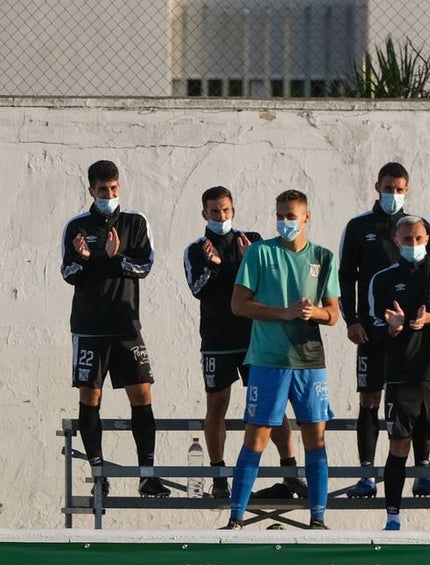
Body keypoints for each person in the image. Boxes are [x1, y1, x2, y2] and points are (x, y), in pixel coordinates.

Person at [221, 190, 340, 531]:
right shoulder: (260, 253)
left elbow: (333, 314)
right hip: (268, 359)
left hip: (309, 361)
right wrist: (282, 313)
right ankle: (236, 518)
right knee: (256, 436)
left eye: (292, 216)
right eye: (281, 215)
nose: (286, 222)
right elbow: (239, 305)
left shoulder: (324, 257)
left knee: (315, 438)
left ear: (307, 218)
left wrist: (313, 312)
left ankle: (318, 518)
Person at [183, 186, 302, 499]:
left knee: (272, 404)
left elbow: (273, 285)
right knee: (217, 406)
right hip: (217, 340)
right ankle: (219, 475)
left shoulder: (252, 241)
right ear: (204, 214)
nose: (220, 216)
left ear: (233, 210)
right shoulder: (197, 249)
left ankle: (290, 470)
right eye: (213, 211)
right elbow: (197, 288)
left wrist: (253, 260)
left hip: (256, 339)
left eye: (225, 210)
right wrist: (213, 265)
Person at [61, 160, 168, 498]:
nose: (109, 194)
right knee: (90, 397)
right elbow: (68, 273)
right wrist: (90, 259)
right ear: (91, 190)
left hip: (126, 327)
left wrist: (113, 256)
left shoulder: (135, 223)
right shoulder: (76, 226)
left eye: (114, 188)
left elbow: (145, 265)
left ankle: (147, 475)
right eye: (103, 190)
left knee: (142, 394)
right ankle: (98, 475)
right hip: (90, 327)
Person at [339, 162, 430, 500]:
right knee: (370, 399)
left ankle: (422, 472)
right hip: (372, 332)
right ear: (376, 186)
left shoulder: (420, 227)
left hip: (412, 334)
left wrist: (428, 318)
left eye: (399, 189)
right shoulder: (358, 227)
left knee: (418, 401)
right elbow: (346, 276)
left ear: (407, 190)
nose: (393, 194)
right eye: (388, 188)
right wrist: (351, 319)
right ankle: (367, 475)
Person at [368, 216, 430, 532]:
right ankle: (392, 519)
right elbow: (376, 328)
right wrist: (393, 328)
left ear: (427, 237)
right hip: (400, 377)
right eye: (407, 240)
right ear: (396, 241)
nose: (414, 244)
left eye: (419, 238)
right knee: (398, 448)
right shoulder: (382, 280)